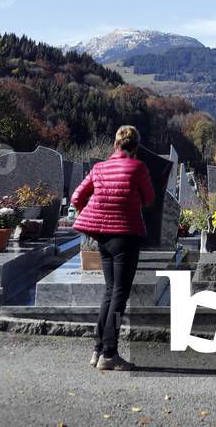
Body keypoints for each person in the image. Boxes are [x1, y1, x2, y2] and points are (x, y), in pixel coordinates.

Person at [71, 125, 155, 371]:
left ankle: (98, 349)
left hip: (102, 237)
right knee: (120, 295)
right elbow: (149, 198)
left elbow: (77, 197)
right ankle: (110, 353)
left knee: (110, 292)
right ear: (136, 147)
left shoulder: (99, 168)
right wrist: (131, 200)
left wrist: (94, 209)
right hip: (126, 236)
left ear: (115, 145)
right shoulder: (138, 167)